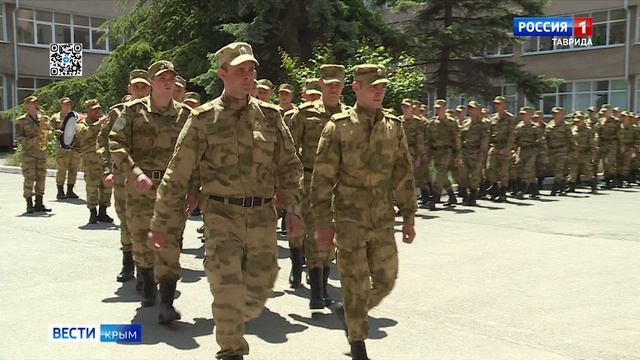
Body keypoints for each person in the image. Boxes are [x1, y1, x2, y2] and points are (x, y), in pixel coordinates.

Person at [146, 42, 304, 360]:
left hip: (263, 216)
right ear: (222, 73)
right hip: (221, 215)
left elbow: (290, 166)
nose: (248, 77)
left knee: (257, 286)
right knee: (227, 288)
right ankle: (231, 351)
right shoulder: (203, 120)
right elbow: (177, 173)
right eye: (240, 71)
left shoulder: (271, 117)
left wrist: (295, 210)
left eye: (251, 70)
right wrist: (160, 224)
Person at [310, 64, 416, 360]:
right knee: (354, 282)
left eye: (383, 86)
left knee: (386, 280)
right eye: (373, 87)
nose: (379, 91)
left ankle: (351, 311)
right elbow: (322, 179)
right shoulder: (338, 126)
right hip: (349, 221)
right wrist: (322, 224)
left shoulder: (393, 125)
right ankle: (358, 344)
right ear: (356, 88)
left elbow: (403, 173)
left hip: (383, 219)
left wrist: (409, 216)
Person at [109, 60, 192, 321]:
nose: (168, 82)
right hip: (139, 189)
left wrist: (195, 188)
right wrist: (134, 173)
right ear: (152, 82)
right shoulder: (132, 112)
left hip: (172, 189)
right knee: (142, 239)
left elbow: (195, 153)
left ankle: (167, 302)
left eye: (172, 78)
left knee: (172, 241)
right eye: (162, 78)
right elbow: (115, 143)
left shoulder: (186, 115)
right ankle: (147, 284)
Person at [289, 64, 349, 307]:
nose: (333, 87)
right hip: (312, 181)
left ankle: (323, 289)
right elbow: (290, 149)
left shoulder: (350, 115)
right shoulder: (304, 114)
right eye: (329, 83)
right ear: (321, 84)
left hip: (339, 185)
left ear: (343, 86)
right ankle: (316, 293)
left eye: (337, 84)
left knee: (331, 236)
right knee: (315, 235)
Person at [98, 69, 151, 284]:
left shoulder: (157, 112)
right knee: (126, 220)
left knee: (148, 221)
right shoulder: (118, 113)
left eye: (144, 86)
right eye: (136, 86)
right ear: (129, 88)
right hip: (123, 177)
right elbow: (104, 142)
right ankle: (128, 263)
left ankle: (146, 267)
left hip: (148, 178)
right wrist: (107, 169)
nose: (140, 90)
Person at [76, 99, 113, 223]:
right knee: (92, 187)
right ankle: (93, 212)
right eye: (94, 109)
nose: (97, 111)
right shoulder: (81, 123)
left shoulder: (105, 122)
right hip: (90, 162)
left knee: (106, 187)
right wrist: (98, 123)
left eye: (98, 109)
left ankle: (103, 212)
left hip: (105, 160)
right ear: (87, 110)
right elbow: (84, 133)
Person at [14, 96, 52, 213]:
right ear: (26, 106)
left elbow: (50, 134)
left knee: (41, 178)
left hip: (41, 154)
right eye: (32, 103)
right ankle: (29, 204)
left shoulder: (43, 118)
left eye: (36, 103)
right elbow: (18, 138)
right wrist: (32, 141)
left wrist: (49, 130)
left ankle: (39, 203)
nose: (35, 105)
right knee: (29, 178)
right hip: (28, 154)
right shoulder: (21, 120)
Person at [424, 99, 460, 208]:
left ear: (444, 109)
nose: (437, 110)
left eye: (439, 108)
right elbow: (428, 140)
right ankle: (451, 195)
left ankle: (434, 199)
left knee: (439, 175)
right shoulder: (432, 123)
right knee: (442, 175)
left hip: (447, 151)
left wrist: (457, 155)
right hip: (436, 152)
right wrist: (427, 154)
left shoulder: (451, 122)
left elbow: (456, 139)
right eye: (436, 108)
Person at [458, 101, 489, 205]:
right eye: (469, 108)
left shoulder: (484, 124)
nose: (470, 110)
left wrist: (482, 153)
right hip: (465, 152)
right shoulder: (465, 123)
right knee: (463, 175)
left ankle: (473, 196)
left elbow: (485, 139)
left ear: (478, 110)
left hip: (477, 152)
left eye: (472, 108)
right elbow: (461, 138)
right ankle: (465, 196)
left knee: (475, 176)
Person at [486, 96, 516, 202]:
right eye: (495, 104)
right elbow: (489, 133)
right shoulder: (492, 118)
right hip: (494, 147)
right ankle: (494, 190)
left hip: (505, 147)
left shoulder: (510, 118)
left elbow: (512, 135)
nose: (497, 106)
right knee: (490, 169)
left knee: (503, 171)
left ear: (504, 105)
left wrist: (508, 148)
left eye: (499, 104)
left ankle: (503, 193)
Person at [51, 97, 81, 200]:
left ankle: (70, 190)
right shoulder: (55, 117)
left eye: (69, 104)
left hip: (74, 147)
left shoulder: (76, 116)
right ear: (61, 105)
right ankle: (60, 191)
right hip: (61, 148)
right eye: (65, 104)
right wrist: (55, 132)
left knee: (73, 169)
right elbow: (49, 131)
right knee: (62, 170)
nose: (67, 106)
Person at [513, 106, 544, 198]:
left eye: (525, 114)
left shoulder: (535, 127)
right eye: (521, 114)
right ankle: (534, 190)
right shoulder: (518, 126)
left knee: (527, 169)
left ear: (530, 115)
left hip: (532, 151)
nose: (523, 116)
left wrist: (543, 152)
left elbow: (541, 140)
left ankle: (521, 190)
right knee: (520, 168)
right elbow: (515, 139)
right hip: (521, 150)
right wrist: (513, 150)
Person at [544, 106, 573, 196]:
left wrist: (573, 150)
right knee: (557, 170)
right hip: (552, 151)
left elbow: (570, 139)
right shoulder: (549, 125)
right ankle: (562, 187)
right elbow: (546, 138)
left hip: (562, 150)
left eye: (558, 114)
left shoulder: (566, 125)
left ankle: (554, 189)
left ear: (563, 115)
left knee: (559, 169)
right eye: (555, 114)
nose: (556, 115)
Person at [567, 111, 597, 193]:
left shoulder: (588, 131)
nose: (577, 123)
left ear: (583, 121)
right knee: (572, 170)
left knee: (587, 171)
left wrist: (592, 154)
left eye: (578, 121)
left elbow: (592, 143)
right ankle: (571, 186)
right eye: (576, 121)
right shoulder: (572, 129)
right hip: (574, 154)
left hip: (584, 154)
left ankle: (593, 186)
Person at [595, 104, 619, 189]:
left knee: (610, 163)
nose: (603, 113)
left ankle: (613, 179)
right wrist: (597, 145)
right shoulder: (600, 121)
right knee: (605, 163)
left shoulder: (616, 121)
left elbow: (619, 134)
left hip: (612, 144)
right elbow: (597, 134)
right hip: (603, 144)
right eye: (603, 112)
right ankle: (607, 181)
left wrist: (620, 145)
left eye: (605, 111)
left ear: (610, 112)